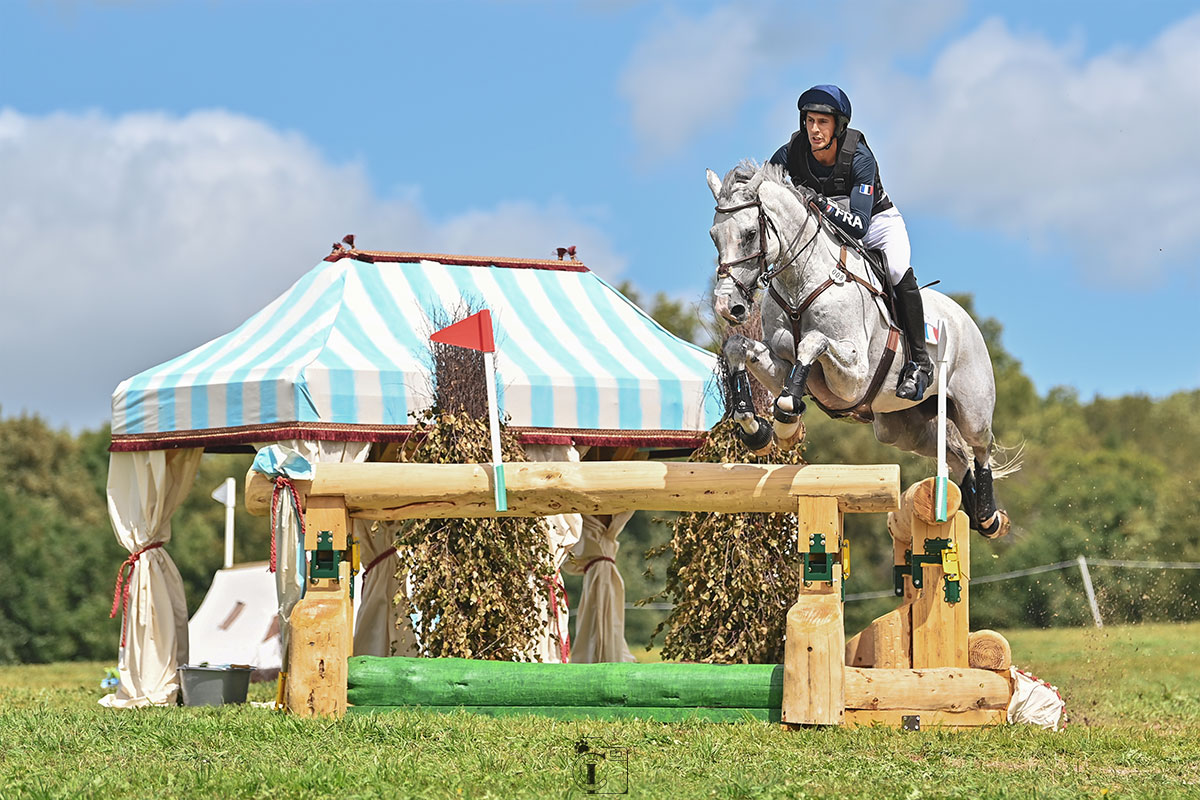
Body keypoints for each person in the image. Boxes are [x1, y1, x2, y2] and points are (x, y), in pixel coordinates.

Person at [768, 84, 932, 401]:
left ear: (838, 126)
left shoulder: (859, 158)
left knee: (897, 270)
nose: (814, 129)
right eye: (809, 121)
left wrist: (822, 204)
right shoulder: (791, 153)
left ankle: (920, 364)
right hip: (828, 228)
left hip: (875, 224)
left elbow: (859, 226)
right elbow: (765, 184)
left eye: (823, 122)